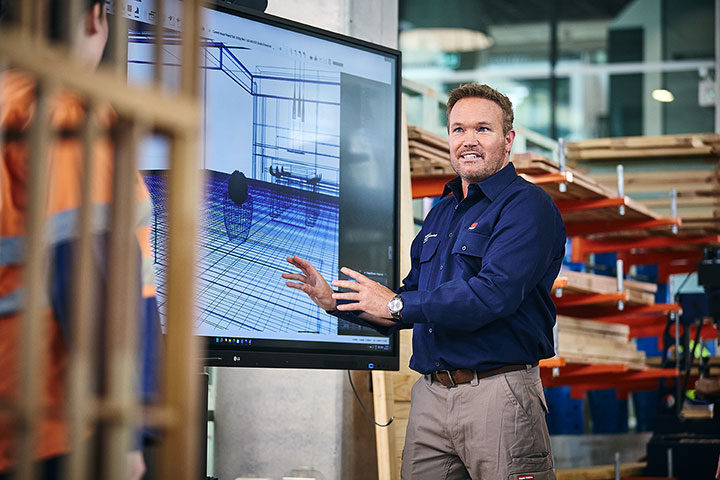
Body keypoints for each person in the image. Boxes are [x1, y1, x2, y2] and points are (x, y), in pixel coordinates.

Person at [283, 83, 566, 479]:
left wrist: (397, 304)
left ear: (508, 140)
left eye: (483, 129)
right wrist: (337, 302)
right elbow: (406, 301)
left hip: (498, 394)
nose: (469, 140)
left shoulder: (527, 207)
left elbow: (492, 295)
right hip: (432, 396)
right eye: (458, 130)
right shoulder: (441, 213)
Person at [0, 1, 159, 478]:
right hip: (55, 415)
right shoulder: (64, 107)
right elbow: (84, 261)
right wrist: (123, 432)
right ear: (94, 17)